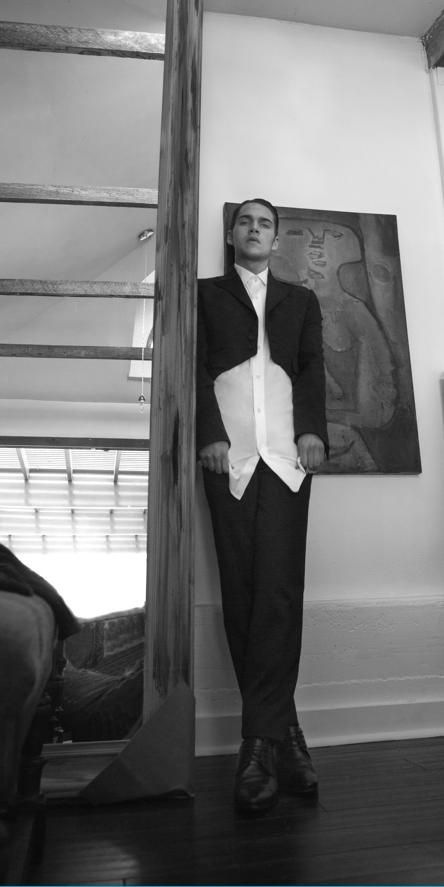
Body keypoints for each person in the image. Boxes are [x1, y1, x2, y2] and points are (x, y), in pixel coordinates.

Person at [196, 198, 329, 812]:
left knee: (278, 594)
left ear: (276, 240)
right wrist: (210, 435)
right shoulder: (204, 295)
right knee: (242, 595)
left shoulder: (301, 301)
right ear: (232, 234)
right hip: (227, 461)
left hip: (286, 462)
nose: (255, 229)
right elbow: (192, 368)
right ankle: (287, 738)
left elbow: (312, 368)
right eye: (246, 221)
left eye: (265, 223)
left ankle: (257, 747)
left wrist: (312, 432)